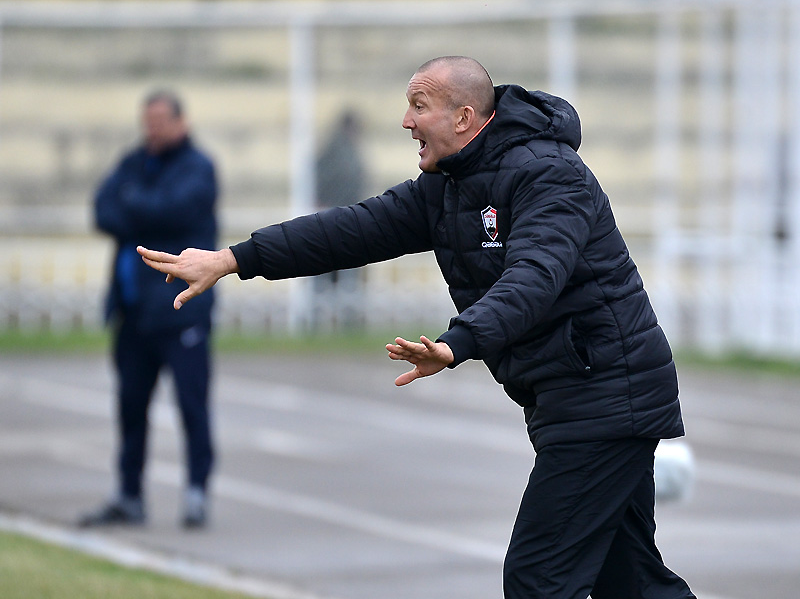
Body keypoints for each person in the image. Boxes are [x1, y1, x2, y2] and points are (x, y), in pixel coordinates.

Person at [137, 57, 696, 597]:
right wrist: (233, 259)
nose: (405, 122)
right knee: (630, 583)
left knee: (538, 577)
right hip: (576, 396)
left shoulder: (547, 174)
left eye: (418, 106)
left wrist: (458, 342)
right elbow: (349, 232)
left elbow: (534, 277)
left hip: (606, 396)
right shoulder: (450, 185)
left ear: (463, 118)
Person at [80, 90, 218, 529]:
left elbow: (172, 212)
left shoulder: (198, 168)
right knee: (130, 407)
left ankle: (196, 493)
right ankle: (128, 495)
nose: (151, 129)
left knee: (191, 406)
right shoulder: (133, 162)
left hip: (180, 310)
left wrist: (132, 204)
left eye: (159, 120)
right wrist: (139, 209)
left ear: (181, 122)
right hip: (132, 311)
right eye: (147, 120)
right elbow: (102, 209)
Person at [312, 110, 368, 330]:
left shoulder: (332, 151)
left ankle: (328, 320)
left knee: (328, 276)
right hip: (344, 222)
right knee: (339, 276)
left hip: (334, 219)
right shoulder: (344, 155)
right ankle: (342, 320)